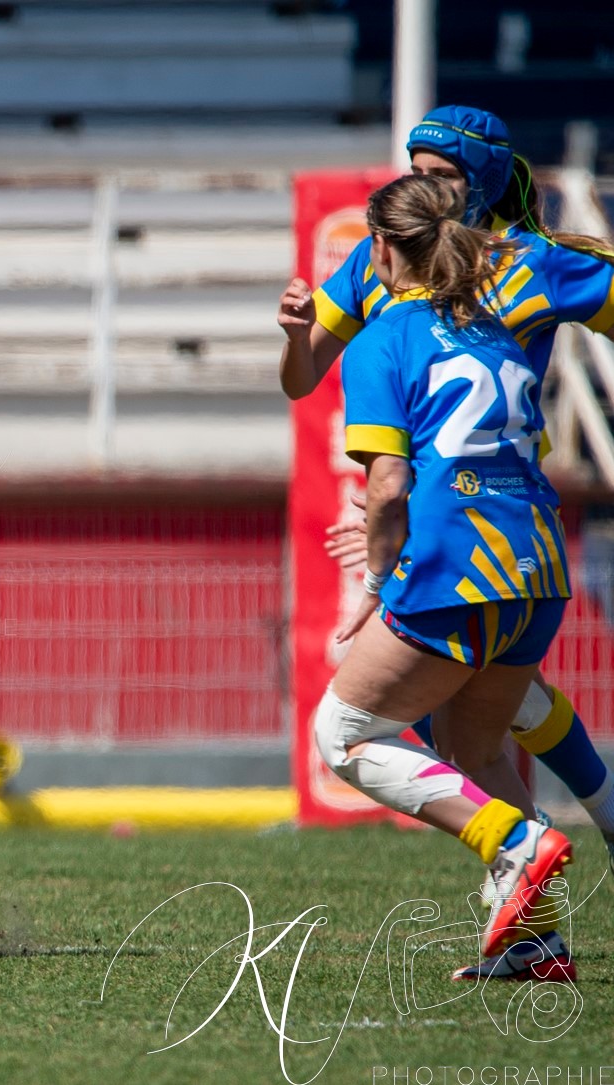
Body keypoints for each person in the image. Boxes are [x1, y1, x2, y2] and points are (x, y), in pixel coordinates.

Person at [280, 107, 614, 981]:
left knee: (346, 734)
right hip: (533, 551)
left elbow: (388, 480)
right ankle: (535, 941)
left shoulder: (405, 323)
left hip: (449, 549)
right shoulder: (493, 306)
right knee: (477, 744)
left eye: (441, 167)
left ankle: (516, 837)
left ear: (389, 250)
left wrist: (377, 574)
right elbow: (302, 371)